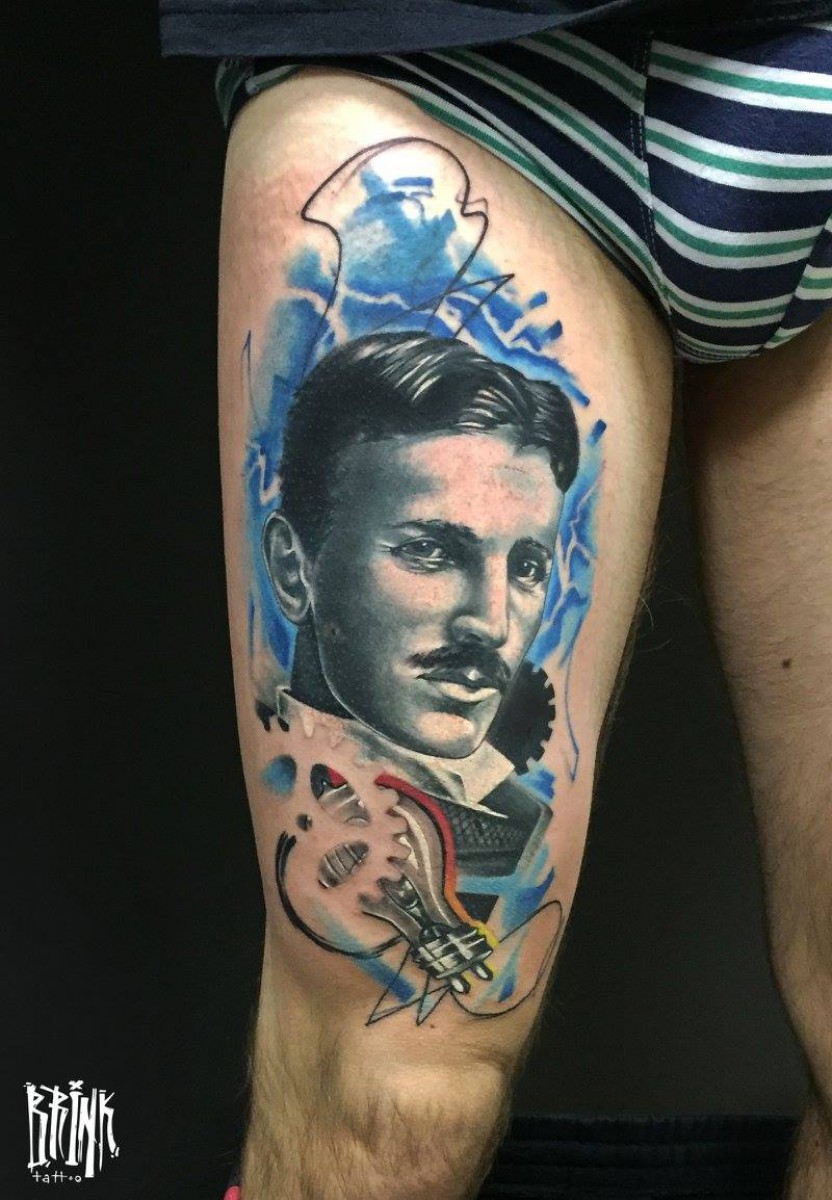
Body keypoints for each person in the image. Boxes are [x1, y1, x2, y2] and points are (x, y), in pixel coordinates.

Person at [163, 1, 832, 1196]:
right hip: (452, 64)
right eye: (430, 549)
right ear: (298, 565)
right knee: (388, 1118)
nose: (490, 622)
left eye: (527, 565)